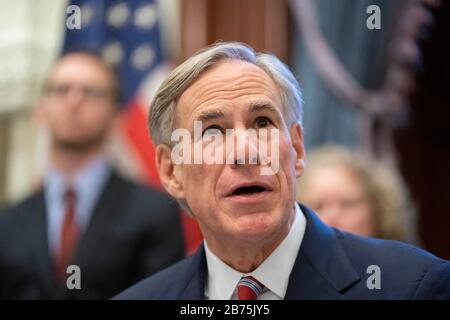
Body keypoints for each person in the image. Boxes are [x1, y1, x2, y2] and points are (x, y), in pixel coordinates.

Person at [114, 42, 450, 300]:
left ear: (298, 149)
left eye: (262, 122)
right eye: (213, 131)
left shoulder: (413, 286)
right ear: (172, 171)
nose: (246, 152)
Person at [0, 51, 185, 299]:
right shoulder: (9, 220)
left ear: (116, 117)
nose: (73, 101)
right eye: (61, 90)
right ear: (40, 111)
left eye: (90, 92)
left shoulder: (155, 212)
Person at [297, 145, 419, 244]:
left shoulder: (408, 269)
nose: (332, 216)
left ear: (379, 208)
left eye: (347, 204)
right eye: (319, 206)